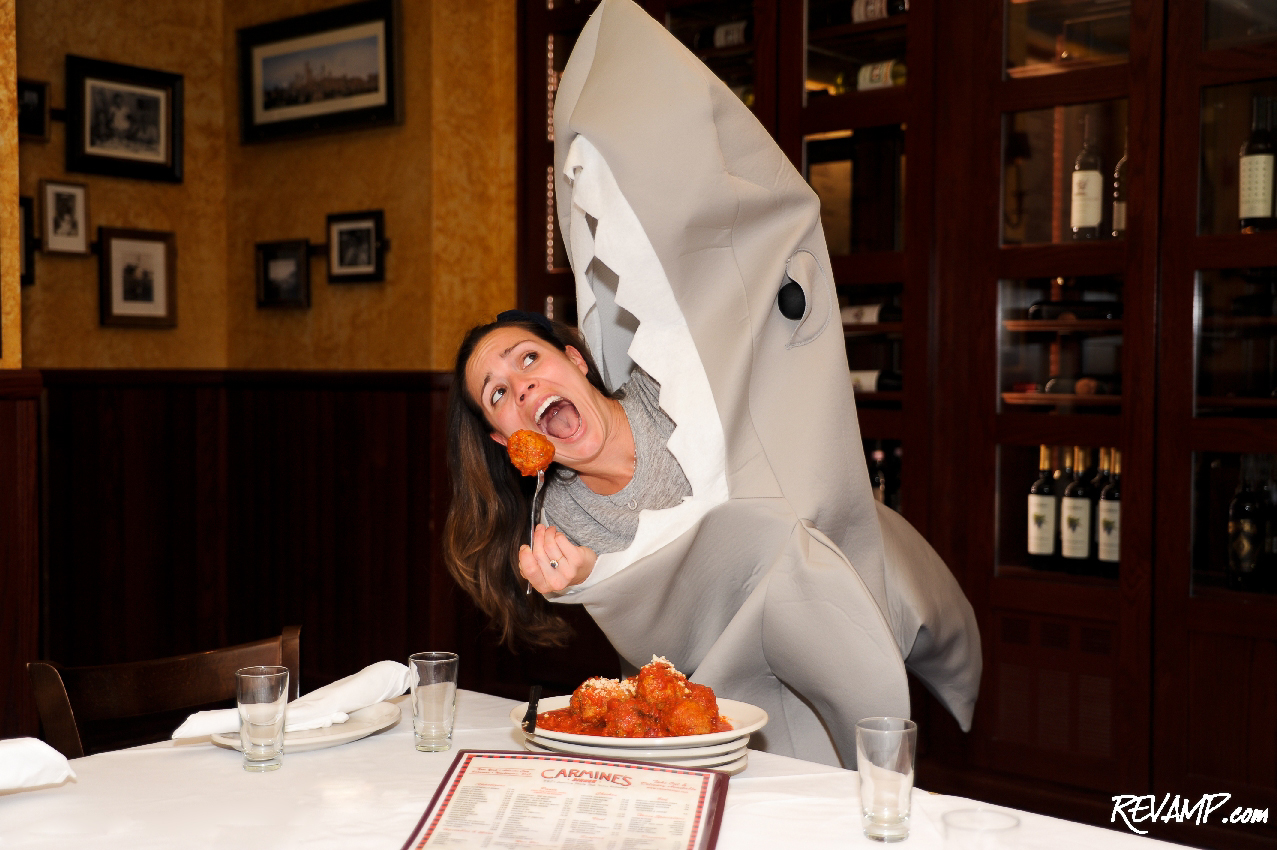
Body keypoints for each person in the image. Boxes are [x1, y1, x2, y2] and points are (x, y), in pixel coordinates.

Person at [443, 311, 691, 648]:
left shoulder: (668, 385)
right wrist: (593, 576)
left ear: (575, 359)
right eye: (497, 393)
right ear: (504, 439)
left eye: (528, 358)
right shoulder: (562, 526)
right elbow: (661, 639)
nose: (521, 388)